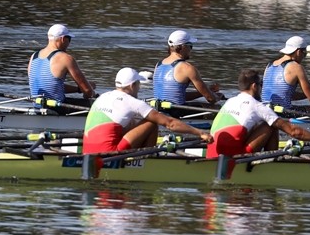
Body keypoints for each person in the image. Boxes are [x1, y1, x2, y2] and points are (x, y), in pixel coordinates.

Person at [82, 67, 213, 154]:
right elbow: (170, 123)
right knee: (151, 122)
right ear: (133, 85)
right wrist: (200, 133)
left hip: (88, 151)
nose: (139, 88)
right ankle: (146, 159)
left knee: (132, 123)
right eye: (138, 84)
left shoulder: (103, 97)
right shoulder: (132, 102)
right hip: (110, 152)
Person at [207, 69, 310, 158]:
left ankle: (268, 157)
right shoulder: (258, 106)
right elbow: (294, 132)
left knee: (262, 123)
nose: (261, 88)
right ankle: (271, 160)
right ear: (254, 86)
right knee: (272, 124)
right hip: (233, 156)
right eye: (261, 85)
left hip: (212, 152)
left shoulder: (230, 101)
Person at [27, 23, 97, 108]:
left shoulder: (33, 57)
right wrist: (90, 92)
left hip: (37, 106)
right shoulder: (65, 58)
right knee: (99, 104)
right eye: (69, 39)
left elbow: (52, 86)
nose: (69, 43)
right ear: (63, 39)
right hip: (57, 108)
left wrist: (78, 89)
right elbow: (88, 91)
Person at [153, 29, 222, 108]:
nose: (191, 49)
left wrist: (202, 92)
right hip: (175, 112)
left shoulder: (158, 65)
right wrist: (217, 96)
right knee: (218, 108)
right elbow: (210, 99)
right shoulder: (187, 68)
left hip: (158, 110)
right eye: (190, 46)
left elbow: (176, 95)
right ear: (183, 47)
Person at [261, 35, 310, 108]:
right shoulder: (296, 67)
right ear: (298, 52)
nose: (304, 56)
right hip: (282, 113)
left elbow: (286, 94)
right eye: (304, 53)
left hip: (264, 110)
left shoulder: (269, 65)